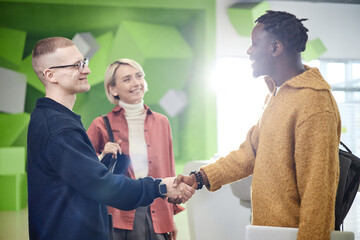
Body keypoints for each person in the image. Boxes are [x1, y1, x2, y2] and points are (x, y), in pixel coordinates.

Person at [171, 10, 341, 240]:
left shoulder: (314, 103)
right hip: (266, 231)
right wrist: (198, 177)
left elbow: (317, 191)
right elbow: (248, 154)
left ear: (275, 48)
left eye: (254, 43)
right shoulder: (276, 95)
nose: (249, 50)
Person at [27, 37, 194, 240]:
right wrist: (159, 186)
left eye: (84, 62)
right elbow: (101, 184)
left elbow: (82, 176)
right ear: (50, 75)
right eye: (76, 65)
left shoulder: (53, 120)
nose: (86, 70)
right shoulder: (59, 128)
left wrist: (169, 211)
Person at [87, 58, 183, 240]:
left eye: (139, 76)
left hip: (157, 211)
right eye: (127, 79)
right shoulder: (100, 125)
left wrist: (170, 218)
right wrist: (101, 156)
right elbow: (84, 172)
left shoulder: (162, 122)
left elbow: (169, 170)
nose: (136, 83)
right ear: (112, 89)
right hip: (117, 215)